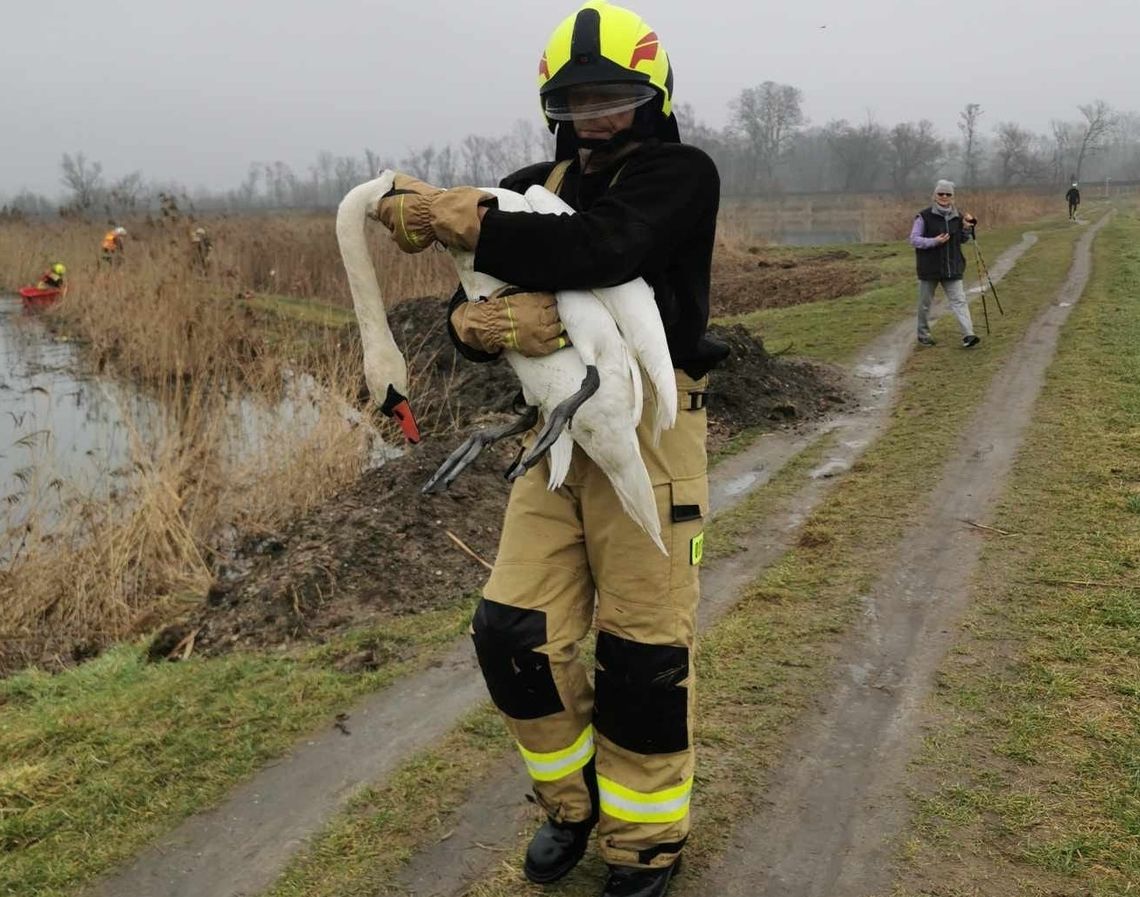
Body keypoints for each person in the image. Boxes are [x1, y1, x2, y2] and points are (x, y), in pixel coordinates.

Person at [373, 3, 724, 895]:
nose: (596, 116)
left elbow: (606, 247)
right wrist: (474, 324)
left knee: (643, 652)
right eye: (576, 101)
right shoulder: (533, 176)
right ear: (552, 107)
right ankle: (571, 804)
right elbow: (495, 284)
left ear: (655, 97)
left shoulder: (681, 174)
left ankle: (646, 841)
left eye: (614, 98)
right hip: (554, 427)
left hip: (651, 426)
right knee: (510, 629)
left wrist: (467, 219)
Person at [910, 179, 980, 349]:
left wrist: (966, 228)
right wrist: (934, 241)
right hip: (929, 268)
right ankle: (923, 335)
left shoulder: (959, 216)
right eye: (941, 193)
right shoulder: (924, 216)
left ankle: (968, 335)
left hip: (953, 267)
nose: (944, 197)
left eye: (948, 194)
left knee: (960, 301)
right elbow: (914, 239)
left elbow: (964, 239)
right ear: (934, 196)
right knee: (925, 304)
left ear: (952, 197)